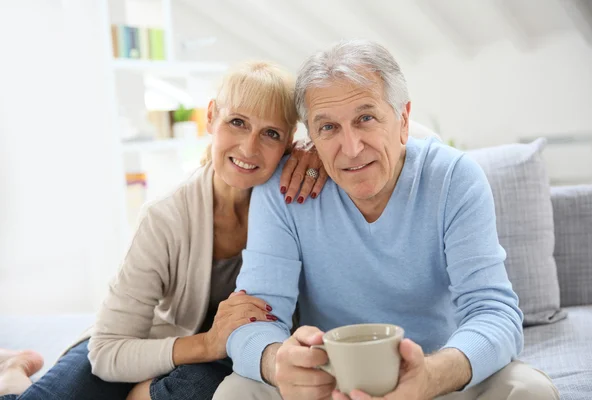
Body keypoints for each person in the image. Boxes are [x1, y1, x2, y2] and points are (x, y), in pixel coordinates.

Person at [213, 40, 560, 400]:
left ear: (404, 120)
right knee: (235, 392)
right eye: (328, 127)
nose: (351, 147)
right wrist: (276, 362)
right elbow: (254, 318)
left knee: (529, 390)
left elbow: (494, 311)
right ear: (310, 138)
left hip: (437, 374)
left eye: (366, 118)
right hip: (329, 383)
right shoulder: (283, 191)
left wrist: (434, 375)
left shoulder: (455, 178)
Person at [0, 60, 327, 400]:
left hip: (221, 361)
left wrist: (318, 154)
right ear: (211, 116)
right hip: (145, 345)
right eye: (237, 122)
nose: (248, 147)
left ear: (290, 142)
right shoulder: (165, 216)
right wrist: (208, 343)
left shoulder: (294, 201)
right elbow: (108, 351)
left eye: (270, 133)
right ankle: (13, 370)